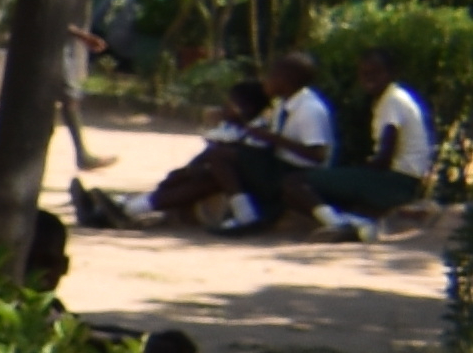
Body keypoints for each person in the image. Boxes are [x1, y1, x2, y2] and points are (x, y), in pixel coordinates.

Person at [144, 53, 335, 231]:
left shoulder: (310, 109)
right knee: (210, 173)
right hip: (277, 165)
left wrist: (271, 138)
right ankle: (136, 207)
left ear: (285, 80)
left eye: (271, 75)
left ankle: (245, 213)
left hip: (295, 174)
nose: (265, 81)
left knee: (218, 156)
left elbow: (318, 156)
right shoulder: (284, 105)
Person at [309, 46, 436, 236]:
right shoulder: (391, 98)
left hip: (396, 181)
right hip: (405, 180)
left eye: (377, 73)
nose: (369, 78)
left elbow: (384, 157)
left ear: (392, 73)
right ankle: (356, 222)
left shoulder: (392, 101)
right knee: (339, 184)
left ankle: (341, 225)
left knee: (297, 181)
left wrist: (361, 169)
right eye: (364, 74)